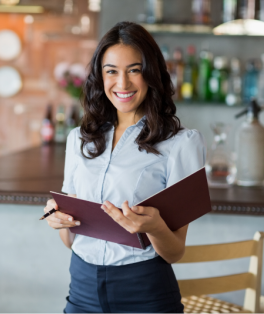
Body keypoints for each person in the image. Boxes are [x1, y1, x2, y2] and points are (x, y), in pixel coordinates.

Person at [43, 21, 206, 314]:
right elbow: (71, 241)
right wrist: (59, 220)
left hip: (144, 291)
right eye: (111, 71)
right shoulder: (78, 139)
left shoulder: (181, 144)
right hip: (81, 289)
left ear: (151, 73)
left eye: (134, 70)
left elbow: (175, 251)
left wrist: (155, 227)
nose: (123, 84)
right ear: (100, 76)